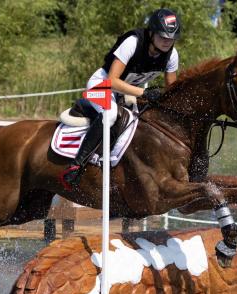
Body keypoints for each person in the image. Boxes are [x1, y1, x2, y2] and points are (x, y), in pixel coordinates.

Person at [61, 8, 181, 188]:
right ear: (151, 33)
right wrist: (144, 93)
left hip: (126, 93)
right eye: (163, 37)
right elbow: (112, 81)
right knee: (109, 115)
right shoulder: (132, 43)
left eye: (171, 38)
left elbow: (172, 91)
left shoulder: (172, 56)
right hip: (100, 86)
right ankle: (76, 165)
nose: (167, 42)